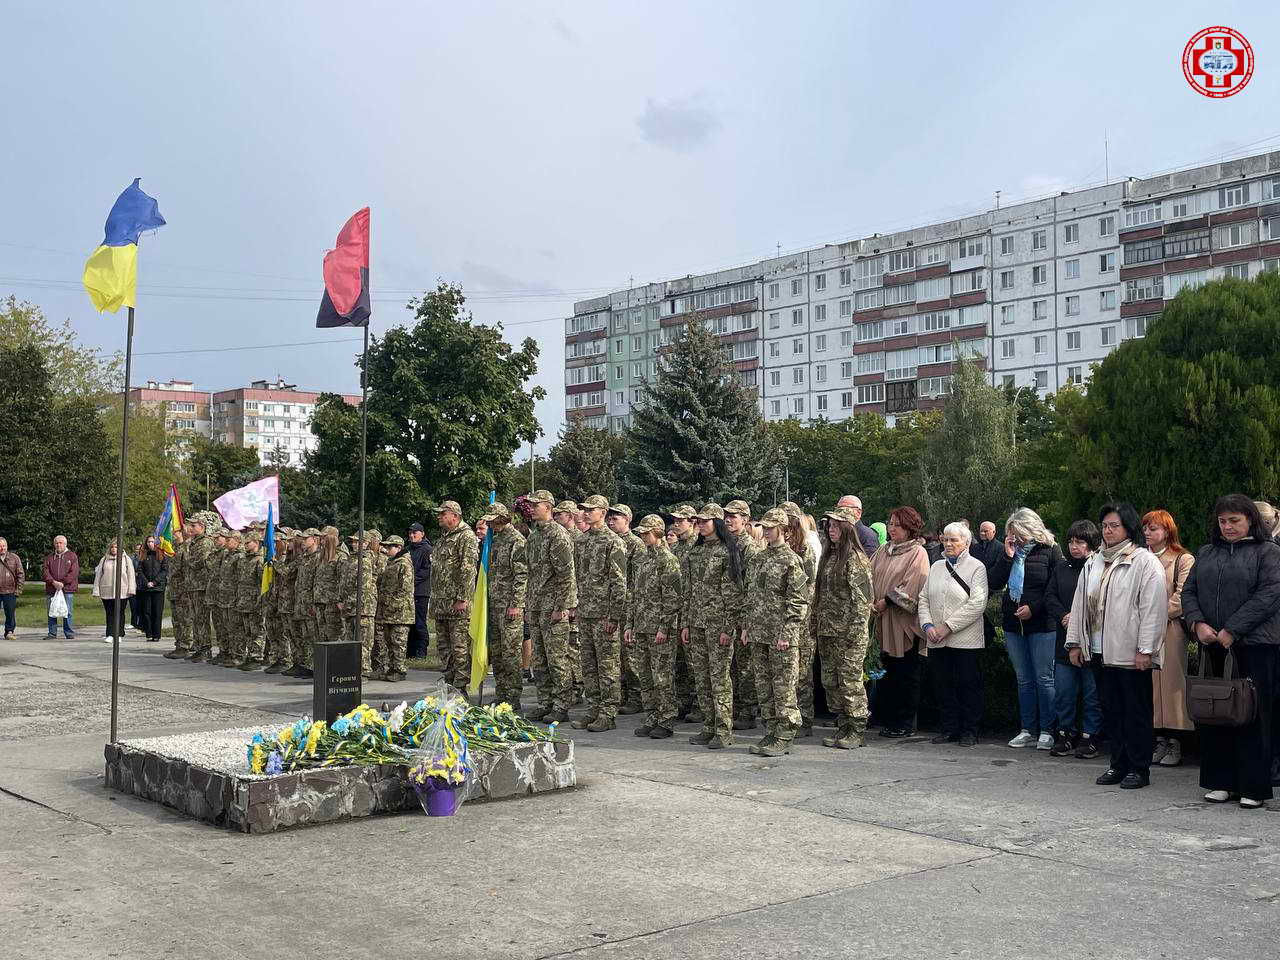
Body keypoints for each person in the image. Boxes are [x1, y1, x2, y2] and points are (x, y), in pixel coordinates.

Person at [1181, 494, 1280, 808]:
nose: (1228, 526)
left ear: (1250, 519)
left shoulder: (1268, 552)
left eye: (1234, 520)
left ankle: (1252, 786)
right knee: (1215, 711)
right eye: (1223, 521)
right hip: (1213, 643)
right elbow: (1189, 591)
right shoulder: (1207, 552)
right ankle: (1219, 781)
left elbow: (1269, 596)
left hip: (1256, 645)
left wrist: (1232, 630)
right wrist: (1197, 623)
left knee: (1252, 714)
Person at [1065, 502, 1167, 790]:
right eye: (1105, 526)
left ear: (1128, 528)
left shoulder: (1144, 561)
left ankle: (1139, 768)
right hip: (1099, 650)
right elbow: (1079, 604)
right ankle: (1118, 764)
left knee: (1136, 712)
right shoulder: (1093, 562)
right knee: (1112, 711)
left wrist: (1146, 649)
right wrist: (1075, 643)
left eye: (1114, 526)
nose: (1108, 531)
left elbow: (1153, 609)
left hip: (1130, 652)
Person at [987, 508, 1063, 750]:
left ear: (1031, 530)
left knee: (1044, 678)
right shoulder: (1009, 552)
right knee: (1024, 679)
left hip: (1042, 624)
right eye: (1011, 534)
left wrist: (1034, 608)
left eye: (1019, 534)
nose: (1015, 538)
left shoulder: (1051, 550)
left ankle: (1048, 730)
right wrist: (1007, 556)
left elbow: (1055, 588)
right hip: (1013, 624)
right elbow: (994, 582)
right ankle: (1027, 729)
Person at [919, 521, 989, 745]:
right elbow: (924, 598)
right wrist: (928, 626)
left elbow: (977, 604)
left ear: (966, 543)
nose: (948, 544)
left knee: (968, 685)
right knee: (942, 685)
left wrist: (947, 627)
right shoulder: (936, 566)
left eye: (954, 540)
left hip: (965, 640)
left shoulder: (977, 567)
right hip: (936, 639)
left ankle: (969, 730)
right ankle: (949, 728)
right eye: (945, 539)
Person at [747, 508, 809, 757]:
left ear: (784, 530)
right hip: (759, 633)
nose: (767, 531)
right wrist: (747, 626)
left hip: (781, 635)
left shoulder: (791, 560)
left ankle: (785, 733)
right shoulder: (758, 559)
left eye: (772, 528)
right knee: (764, 687)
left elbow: (798, 601)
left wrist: (788, 632)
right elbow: (751, 596)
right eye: (765, 527)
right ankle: (771, 730)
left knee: (783, 687)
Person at [812, 506, 874, 748]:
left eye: (836, 526)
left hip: (849, 634)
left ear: (847, 529)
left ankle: (857, 729)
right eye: (829, 525)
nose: (831, 530)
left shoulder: (856, 559)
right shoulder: (830, 556)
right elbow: (820, 596)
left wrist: (856, 634)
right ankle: (843, 725)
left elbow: (863, 602)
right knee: (831, 681)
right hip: (828, 631)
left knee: (850, 681)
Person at [682, 503, 741, 749]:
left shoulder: (727, 551)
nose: (700, 524)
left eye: (705, 521)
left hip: (718, 624)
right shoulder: (695, 552)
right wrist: (685, 623)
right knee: (702, 678)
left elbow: (733, 593)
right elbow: (687, 591)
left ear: (716, 523)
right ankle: (708, 726)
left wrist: (728, 627)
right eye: (698, 521)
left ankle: (723, 730)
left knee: (719, 679)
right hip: (696, 622)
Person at [870, 507, 931, 737]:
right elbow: (868, 575)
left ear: (909, 528)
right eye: (891, 523)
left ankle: (905, 723)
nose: (892, 528)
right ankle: (887, 718)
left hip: (904, 624)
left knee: (906, 674)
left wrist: (885, 601)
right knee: (887, 673)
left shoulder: (918, 553)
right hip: (881, 621)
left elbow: (913, 587)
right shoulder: (883, 550)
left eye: (897, 525)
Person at [1044, 520, 1103, 758]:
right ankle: (1065, 733)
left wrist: (1079, 617)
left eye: (1080, 542)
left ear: (1091, 543)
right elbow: (1049, 597)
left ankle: (1091, 736)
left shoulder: (1099, 567)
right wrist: (1064, 616)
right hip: (1064, 641)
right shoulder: (1061, 568)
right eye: (1070, 542)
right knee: (1064, 692)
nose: (1074, 546)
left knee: (1092, 693)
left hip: (1091, 641)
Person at [1143, 510, 1195, 767]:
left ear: (1167, 531)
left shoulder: (1183, 558)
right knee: (1150, 685)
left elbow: (1183, 595)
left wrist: (1154, 615)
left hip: (1171, 628)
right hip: (1141, 630)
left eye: (1153, 528)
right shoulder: (1139, 558)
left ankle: (1176, 740)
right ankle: (1158, 739)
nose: (1147, 533)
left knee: (1173, 684)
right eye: (1145, 528)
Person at [570, 495, 627, 732]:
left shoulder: (613, 541)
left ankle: (608, 713)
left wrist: (614, 615)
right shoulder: (581, 541)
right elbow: (576, 577)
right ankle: (593, 709)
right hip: (585, 612)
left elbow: (619, 582)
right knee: (589, 665)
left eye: (590, 510)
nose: (585, 513)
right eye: (584, 510)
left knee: (608, 666)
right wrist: (575, 605)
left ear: (603, 512)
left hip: (604, 614)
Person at [627, 513, 683, 739]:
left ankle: (666, 719)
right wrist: (630, 624)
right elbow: (634, 594)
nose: (642, 536)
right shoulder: (642, 559)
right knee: (645, 675)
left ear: (658, 533)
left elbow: (672, 599)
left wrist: (664, 627)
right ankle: (651, 716)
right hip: (641, 625)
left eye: (646, 533)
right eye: (641, 533)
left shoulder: (667, 560)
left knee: (662, 677)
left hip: (659, 628)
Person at [524, 490, 577, 724]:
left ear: (548, 507)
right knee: (539, 658)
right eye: (531, 505)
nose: (531, 508)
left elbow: (566, 575)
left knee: (557, 658)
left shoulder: (558, 534)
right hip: (536, 605)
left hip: (553, 606)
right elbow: (531, 574)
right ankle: (544, 702)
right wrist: (528, 606)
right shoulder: (534, 536)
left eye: (536, 505)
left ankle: (561, 705)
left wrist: (561, 605)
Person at [428, 501, 480, 692]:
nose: (439, 516)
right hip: (441, 603)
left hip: (457, 603)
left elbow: (468, 569)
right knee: (444, 648)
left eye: (443, 514)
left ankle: (460, 688)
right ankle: (449, 685)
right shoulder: (443, 538)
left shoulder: (466, 536)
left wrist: (463, 598)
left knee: (460, 648)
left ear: (455, 516)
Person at [483, 503, 527, 710]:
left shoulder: (516, 540)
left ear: (502, 518)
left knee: (511, 654)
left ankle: (513, 697)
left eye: (492, 520)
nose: (490, 523)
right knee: (498, 654)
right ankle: (501, 694)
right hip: (494, 605)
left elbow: (521, 575)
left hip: (509, 606)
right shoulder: (493, 539)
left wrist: (516, 604)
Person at [781, 503, 819, 736]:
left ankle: (805, 719)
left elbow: (807, 587)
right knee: (787, 672)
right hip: (784, 618)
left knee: (802, 670)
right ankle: (788, 717)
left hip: (802, 619)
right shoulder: (782, 548)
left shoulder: (805, 549)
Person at [724, 500, 761, 732]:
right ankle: (736, 708)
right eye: (726, 516)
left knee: (745, 665)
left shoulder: (749, 548)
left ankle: (747, 711)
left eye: (733, 516)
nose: (728, 520)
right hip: (727, 613)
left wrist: (746, 621)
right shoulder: (727, 545)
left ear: (745, 520)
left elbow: (751, 588)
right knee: (732, 665)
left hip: (743, 614)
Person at [669, 504, 700, 722]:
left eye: (681, 521)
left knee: (694, 662)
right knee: (679, 660)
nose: (676, 524)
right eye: (675, 521)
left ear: (692, 522)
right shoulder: (675, 549)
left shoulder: (697, 547)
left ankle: (699, 704)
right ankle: (682, 701)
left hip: (692, 611)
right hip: (676, 611)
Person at [375, 535, 413, 682]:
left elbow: (405, 588)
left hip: (400, 612)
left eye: (390, 547)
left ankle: (399, 669)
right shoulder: (391, 563)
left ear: (398, 548)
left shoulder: (404, 563)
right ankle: (392, 668)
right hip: (388, 610)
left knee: (398, 641)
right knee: (389, 641)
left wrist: (393, 604)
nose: (387, 549)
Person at [92, 539, 136, 644]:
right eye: (112, 547)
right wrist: (96, 590)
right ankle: (110, 634)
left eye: (116, 547)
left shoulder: (126, 559)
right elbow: (98, 575)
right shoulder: (104, 559)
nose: (113, 549)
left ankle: (119, 634)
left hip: (122, 591)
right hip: (107, 591)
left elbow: (131, 575)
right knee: (110, 613)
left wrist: (131, 589)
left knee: (119, 613)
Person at [234, 530, 266, 670]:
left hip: (254, 601)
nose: (245, 545)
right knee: (247, 630)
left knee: (257, 631)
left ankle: (256, 657)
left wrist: (260, 601)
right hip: (243, 600)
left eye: (248, 543)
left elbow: (263, 583)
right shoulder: (244, 559)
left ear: (256, 543)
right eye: (244, 543)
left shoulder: (260, 560)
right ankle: (250, 655)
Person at [43, 534, 80, 639]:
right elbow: (45, 572)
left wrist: (63, 583)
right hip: (52, 588)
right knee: (51, 611)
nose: (58, 545)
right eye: (56, 543)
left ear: (65, 544)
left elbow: (74, 572)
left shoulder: (72, 556)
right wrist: (53, 582)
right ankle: (52, 633)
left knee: (68, 611)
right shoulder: (49, 557)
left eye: (60, 543)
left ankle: (69, 632)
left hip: (67, 589)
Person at [406, 521, 432, 659]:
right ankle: (410, 651)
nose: (412, 535)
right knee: (410, 621)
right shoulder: (409, 549)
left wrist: (410, 581)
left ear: (422, 534)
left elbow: (426, 571)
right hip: (409, 591)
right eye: (410, 533)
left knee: (420, 622)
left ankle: (421, 651)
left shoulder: (427, 550)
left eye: (414, 533)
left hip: (421, 591)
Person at [136, 536, 168, 642]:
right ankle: (149, 633)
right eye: (149, 542)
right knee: (146, 612)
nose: (150, 544)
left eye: (152, 542)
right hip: (146, 588)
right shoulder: (143, 555)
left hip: (158, 588)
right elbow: (140, 570)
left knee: (157, 612)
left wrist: (154, 582)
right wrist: (146, 583)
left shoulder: (162, 555)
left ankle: (156, 635)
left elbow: (164, 570)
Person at [0, 538, 25, 640]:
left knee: (10, 613)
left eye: (3, 546)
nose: (2, 548)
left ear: (7, 546)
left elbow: (21, 574)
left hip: (10, 590)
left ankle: (9, 632)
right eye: (0, 546)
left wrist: (18, 590)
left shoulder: (14, 558)